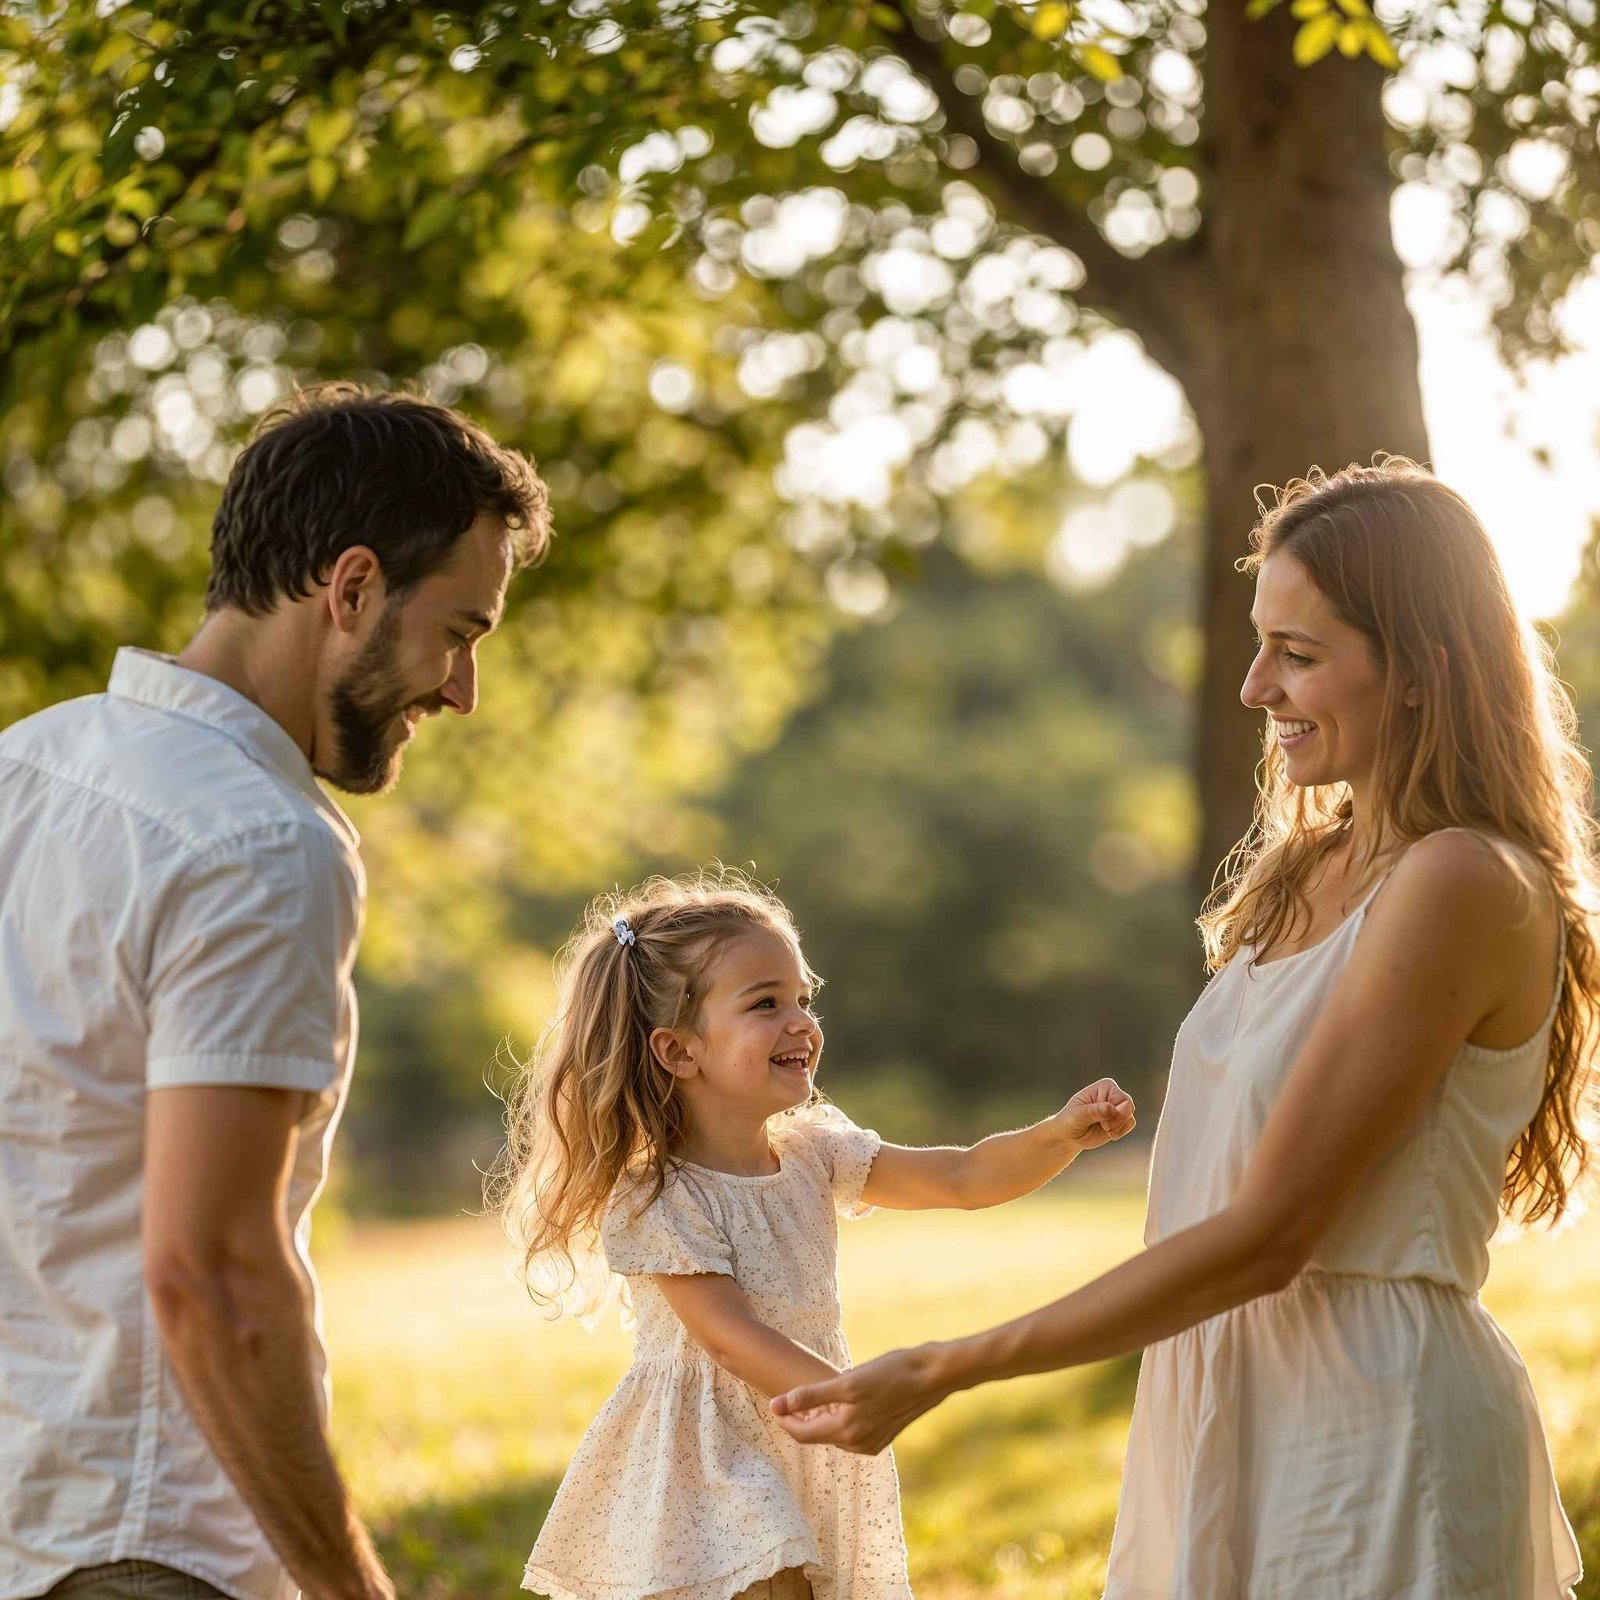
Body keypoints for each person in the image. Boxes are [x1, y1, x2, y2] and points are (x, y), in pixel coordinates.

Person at [770, 459, 1590, 1600]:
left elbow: (1268, 1234)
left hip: (1374, 1434)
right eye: (1259, 643)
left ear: (1419, 671)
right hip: (1216, 1404)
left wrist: (951, 1365)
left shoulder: (1458, 880)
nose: (1254, 686)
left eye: (1298, 655)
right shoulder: (1301, 870)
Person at [0, 384, 550, 1600]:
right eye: (458, 633)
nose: (461, 692)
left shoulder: (20, 768)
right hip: (141, 1541)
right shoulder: (258, 840)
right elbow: (211, 1267)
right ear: (350, 588)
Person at [495, 870, 1136, 1600]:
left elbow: (960, 1178)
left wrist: (1059, 1136)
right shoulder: (662, 1197)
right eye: (765, 1004)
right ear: (679, 1051)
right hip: (709, 1452)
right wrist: (850, 1394)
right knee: (772, 1579)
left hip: (808, 1429)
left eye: (803, 999)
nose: (801, 1022)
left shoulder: (815, 1152)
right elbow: (729, 1338)